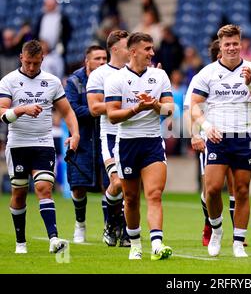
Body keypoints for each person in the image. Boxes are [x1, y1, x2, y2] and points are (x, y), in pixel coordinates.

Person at [190, 24, 251, 258]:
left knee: (242, 190)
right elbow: (194, 105)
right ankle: (216, 230)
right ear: (221, 46)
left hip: (243, 137)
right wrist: (205, 127)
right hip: (217, 136)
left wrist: (250, 85)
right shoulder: (207, 73)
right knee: (213, 189)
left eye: (235, 43)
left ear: (241, 44)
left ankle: (238, 241)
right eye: (227, 44)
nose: (232, 47)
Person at [0, 40, 79, 254]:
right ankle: (20, 243)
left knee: (44, 188)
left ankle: (54, 239)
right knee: (19, 194)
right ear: (21, 59)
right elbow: (2, 114)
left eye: (36, 63)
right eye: (28, 63)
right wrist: (23, 109)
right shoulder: (9, 81)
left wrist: (75, 133)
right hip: (18, 144)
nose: (32, 67)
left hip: (43, 142)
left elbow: (67, 111)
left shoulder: (52, 82)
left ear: (42, 59)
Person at [105, 32, 175, 260]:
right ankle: (135, 244)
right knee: (131, 198)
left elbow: (170, 110)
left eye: (152, 49)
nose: (152, 53)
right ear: (133, 51)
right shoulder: (116, 79)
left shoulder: (160, 75)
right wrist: (136, 109)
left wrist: (154, 105)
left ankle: (156, 244)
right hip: (126, 143)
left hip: (152, 140)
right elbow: (113, 116)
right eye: (147, 49)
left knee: (154, 194)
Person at [183, 39, 241, 247]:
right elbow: (190, 108)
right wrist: (194, 135)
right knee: (211, 187)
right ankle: (210, 223)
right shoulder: (203, 77)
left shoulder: (239, 75)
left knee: (236, 185)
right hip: (209, 136)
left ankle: (237, 234)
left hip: (235, 135)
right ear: (218, 56)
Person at [87, 30, 131, 247]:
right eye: (127, 46)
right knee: (117, 183)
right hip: (111, 134)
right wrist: (121, 104)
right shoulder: (99, 75)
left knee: (130, 186)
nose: (132, 50)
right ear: (115, 49)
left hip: (135, 134)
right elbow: (94, 108)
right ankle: (112, 223)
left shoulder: (139, 72)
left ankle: (124, 230)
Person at [65, 45, 108, 244]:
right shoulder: (74, 81)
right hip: (81, 138)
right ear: (87, 61)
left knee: (108, 184)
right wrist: (98, 109)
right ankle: (80, 224)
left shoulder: (113, 78)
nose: (101, 62)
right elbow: (71, 109)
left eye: (104, 58)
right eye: (97, 58)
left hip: (105, 137)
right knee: (78, 185)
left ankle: (111, 226)